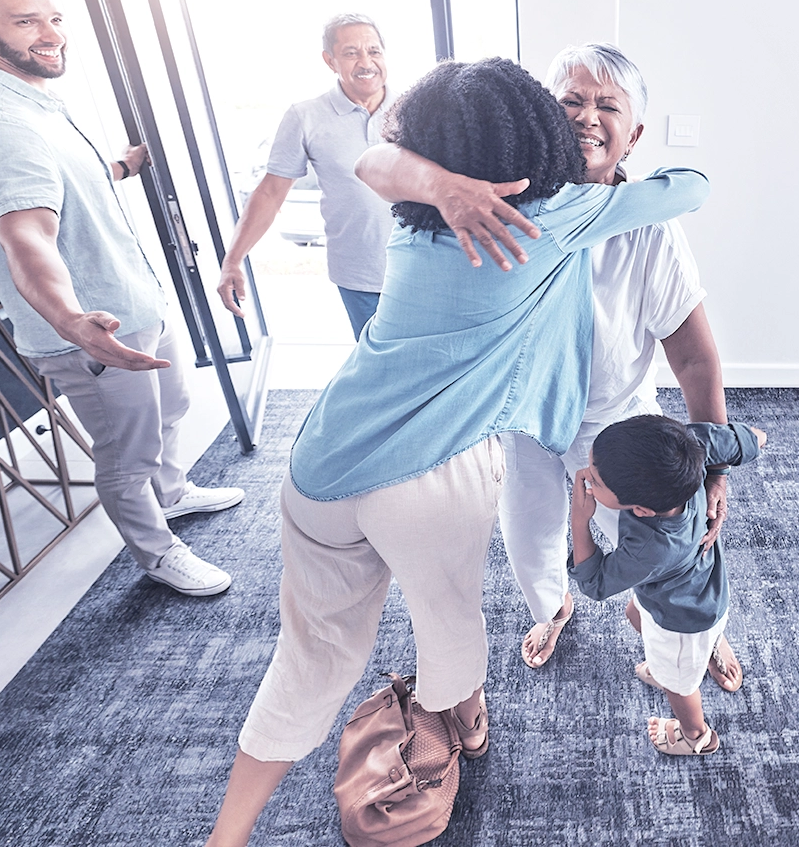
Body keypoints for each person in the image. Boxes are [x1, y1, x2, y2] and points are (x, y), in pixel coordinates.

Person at [202, 57, 710, 846]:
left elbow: (374, 156)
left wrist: (437, 183)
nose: (579, 118)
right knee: (450, 627)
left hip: (318, 462)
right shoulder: (559, 213)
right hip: (425, 477)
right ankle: (465, 729)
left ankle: (225, 835)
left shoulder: (406, 222)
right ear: (537, 136)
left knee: (307, 661)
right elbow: (692, 185)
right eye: (563, 107)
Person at [356, 43, 738, 680]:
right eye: (572, 101)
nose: (589, 115)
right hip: (524, 420)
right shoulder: (503, 198)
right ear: (542, 117)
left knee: (673, 544)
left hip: (616, 425)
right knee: (528, 532)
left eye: (607, 106)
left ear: (633, 134)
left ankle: (690, 625)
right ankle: (554, 606)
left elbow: (694, 357)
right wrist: (444, 187)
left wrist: (714, 461)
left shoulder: (648, 223)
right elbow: (376, 161)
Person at [0, 0, 242, 597]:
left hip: (135, 304)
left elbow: (60, 185)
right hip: (95, 330)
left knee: (172, 411)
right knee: (125, 457)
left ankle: (175, 493)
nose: (50, 33)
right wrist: (72, 321)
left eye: (53, 17)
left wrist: (122, 168)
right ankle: (157, 553)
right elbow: (28, 236)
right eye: (25, 22)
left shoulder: (31, 99)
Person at [568, 415, 765, 755]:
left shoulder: (650, 548)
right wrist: (739, 451)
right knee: (635, 613)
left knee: (679, 684)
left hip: (681, 619)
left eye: (595, 481)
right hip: (703, 587)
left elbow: (596, 583)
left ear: (641, 510)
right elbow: (754, 438)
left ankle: (696, 735)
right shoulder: (690, 447)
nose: (584, 477)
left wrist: (578, 520)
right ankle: (702, 651)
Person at [216, 13, 395, 339]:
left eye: (374, 51)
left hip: (424, 267)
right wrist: (233, 260)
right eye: (352, 53)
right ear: (330, 61)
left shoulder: (415, 106)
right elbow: (270, 193)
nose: (366, 62)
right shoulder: (305, 116)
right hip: (360, 276)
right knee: (380, 373)